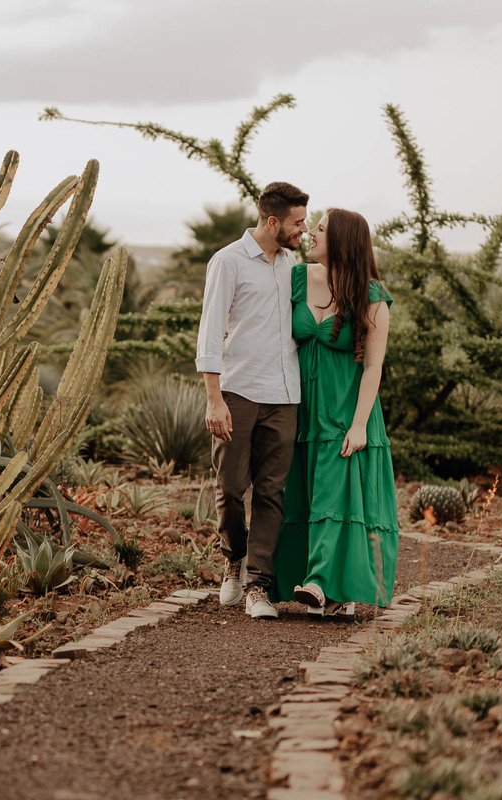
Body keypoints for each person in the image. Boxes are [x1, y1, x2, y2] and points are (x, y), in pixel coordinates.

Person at [274, 208, 399, 616]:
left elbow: (374, 366)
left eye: (321, 229)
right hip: (300, 410)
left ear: (342, 241)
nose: (310, 233)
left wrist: (360, 424)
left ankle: (317, 582)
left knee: (333, 496)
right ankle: (326, 591)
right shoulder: (296, 277)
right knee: (302, 498)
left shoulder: (373, 296)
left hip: (346, 413)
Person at [196, 182, 308, 620]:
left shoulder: (293, 263)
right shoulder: (228, 261)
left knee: (271, 492)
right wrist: (214, 399)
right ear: (272, 221)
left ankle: (258, 586)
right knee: (229, 487)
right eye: (297, 222)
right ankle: (233, 560)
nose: (303, 230)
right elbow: (209, 332)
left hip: (284, 396)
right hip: (237, 392)